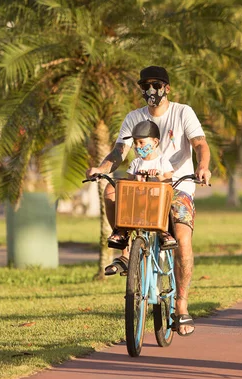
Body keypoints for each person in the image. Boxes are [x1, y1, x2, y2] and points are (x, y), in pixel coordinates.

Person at [86, 66, 212, 336]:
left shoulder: (182, 112)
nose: (151, 91)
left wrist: (203, 167)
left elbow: (200, 143)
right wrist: (102, 168)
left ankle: (181, 306)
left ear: (167, 88)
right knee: (110, 192)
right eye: (146, 85)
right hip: (143, 184)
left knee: (183, 238)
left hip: (177, 184)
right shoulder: (134, 118)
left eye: (156, 85)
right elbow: (120, 150)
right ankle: (124, 243)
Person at [103, 119, 177, 273]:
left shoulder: (162, 162)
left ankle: (165, 232)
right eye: (136, 143)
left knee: (163, 209)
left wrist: (158, 176)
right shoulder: (136, 163)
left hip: (156, 206)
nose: (138, 147)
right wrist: (136, 179)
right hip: (137, 206)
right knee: (124, 197)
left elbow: (169, 182)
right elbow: (128, 185)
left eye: (142, 142)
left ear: (155, 142)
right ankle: (121, 232)